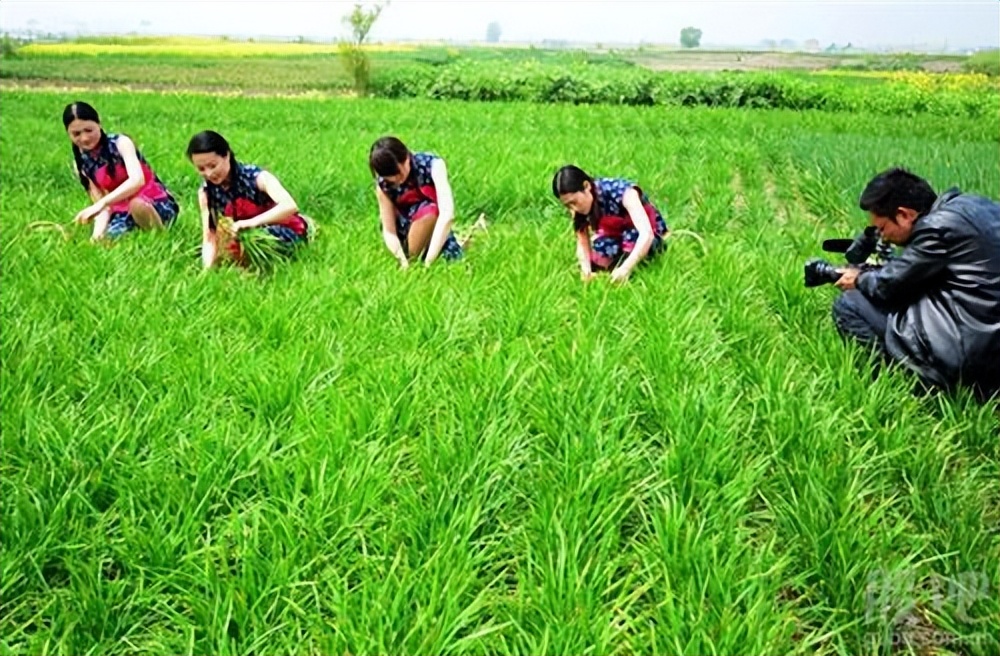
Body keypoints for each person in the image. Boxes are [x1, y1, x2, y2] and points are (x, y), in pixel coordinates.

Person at [833, 167, 1000, 400]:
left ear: (904, 214)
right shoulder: (975, 206)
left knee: (849, 304)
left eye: (882, 228)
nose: (883, 237)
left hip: (969, 358)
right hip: (991, 346)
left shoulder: (936, 228)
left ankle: (899, 387)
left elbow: (888, 287)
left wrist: (858, 278)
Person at [186, 131, 313, 269]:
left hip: (280, 230)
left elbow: (289, 206)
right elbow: (209, 236)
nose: (209, 173)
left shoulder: (256, 177)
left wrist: (250, 223)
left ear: (227, 155)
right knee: (204, 252)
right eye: (201, 169)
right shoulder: (206, 192)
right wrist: (207, 270)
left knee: (259, 242)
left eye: (213, 166)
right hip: (242, 235)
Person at [63, 101, 179, 241]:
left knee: (137, 205)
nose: (85, 138)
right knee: (108, 240)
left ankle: (161, 238)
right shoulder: (82, 165)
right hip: (121, 211)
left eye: (89, 130)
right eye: (76, 134)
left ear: (99, 124)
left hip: (153, 202)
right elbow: (101, 208)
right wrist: (96, 236)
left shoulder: (121, 143)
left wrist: (102, 204)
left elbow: (137, 180)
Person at [369, 136, 477, 268]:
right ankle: (413, 258)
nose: (397, 181)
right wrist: (402, 260)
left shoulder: (433, 165)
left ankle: (424, 256)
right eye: (392, 179)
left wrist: (428, 262)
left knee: (430, 211)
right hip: (404, 235)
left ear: (406, 158)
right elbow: (389, 230)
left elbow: (447, 215)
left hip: (435, 229)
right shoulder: (384, 185)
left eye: (400, 174)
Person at [552, 165, 670, 284]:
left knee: (635, 258)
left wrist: (626, 269)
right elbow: (582, 240)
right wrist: (586, 270)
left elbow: (646, 234)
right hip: (613, 233)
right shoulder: (578, 209)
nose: (573, 208)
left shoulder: (624, 192)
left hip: (641, 232)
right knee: (600, 257)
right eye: (568, 205)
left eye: (574, 202)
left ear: (586, 186)